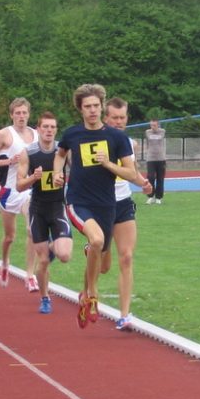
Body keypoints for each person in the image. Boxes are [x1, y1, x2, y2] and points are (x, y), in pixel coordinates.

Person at [52, 83, 138, 328]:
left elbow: (131, 174)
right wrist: (58, 174)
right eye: (87, 106)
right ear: (80, 109)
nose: (92, 110)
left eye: (96, 106)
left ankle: (86, 290)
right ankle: (92, 295)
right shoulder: (72, 134)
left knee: (104, 263)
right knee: (97, 241)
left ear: (102, 107)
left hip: (107, 205)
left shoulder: (117, 137)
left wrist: (109, 164)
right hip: (78, 202)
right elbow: (59, 155)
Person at [102, 97, 153, 330]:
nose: (119, 122)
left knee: (127, 256)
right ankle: (95, 250)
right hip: (100, 205)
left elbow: (131, 170)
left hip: (123, 203)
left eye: (123, 118)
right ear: (106, 118)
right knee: (103, 265)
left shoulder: (129, 143)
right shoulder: (96, 141)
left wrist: (143, 183)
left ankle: (124, 315)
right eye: (115, 118)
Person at [16, 112, 73, 314]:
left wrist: (65, 181)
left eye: (52, 127)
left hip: (58, 206)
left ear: (56, 130)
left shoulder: (63, 151)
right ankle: (45, 297)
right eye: (45, 127)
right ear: (38, 129)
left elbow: (75, 176)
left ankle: (51, 248)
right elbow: (19, 186)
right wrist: (33, 178)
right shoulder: (28, 153)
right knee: (43, 262)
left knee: (64, 255)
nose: (49, 130)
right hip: (38, 209)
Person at [0, 97, 39, 290]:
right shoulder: (4, 135)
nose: (21, 116)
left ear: (29, 114)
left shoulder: (36, 134)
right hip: (8, 191)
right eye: (17, 113)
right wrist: (9, 162)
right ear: (11, 115)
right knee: (10, 237)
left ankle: (30, 275)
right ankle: (5, 263)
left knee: (33, 230)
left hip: (28, 188)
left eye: (24, 113)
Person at [145, 118, 166, 205]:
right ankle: (150, 196)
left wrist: (157, 130)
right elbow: (147, 143)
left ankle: (158, 197)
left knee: (160, 178)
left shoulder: (162, 131)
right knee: (150, 177)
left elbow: (160, 134)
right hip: (150, 158)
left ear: (158, 125)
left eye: (154, 125)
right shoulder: (147, 132)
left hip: (161, 158)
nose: (152, 127)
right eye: (151, 125)